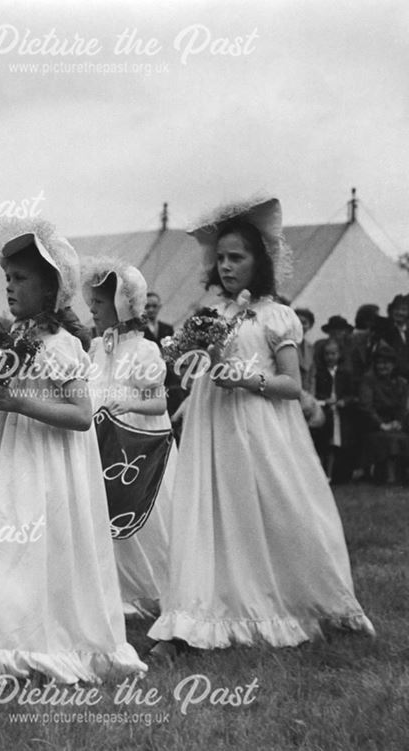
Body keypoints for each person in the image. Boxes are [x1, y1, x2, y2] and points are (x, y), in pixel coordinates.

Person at [147, 198, 374, 660]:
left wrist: (249, 379)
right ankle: (198, 612)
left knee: (272, 510)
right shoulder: (214, 314)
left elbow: (292, 385)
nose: (226, 266)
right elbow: (202, 368)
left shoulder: (276, 317)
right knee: (214, 513)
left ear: (260, 262)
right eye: (222, 258)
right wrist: (200, 364)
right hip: (215, 426)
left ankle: (291, 599)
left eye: (238, 258)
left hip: (257, 426)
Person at [0, 219, 145, 685]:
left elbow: (81, 414)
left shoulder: (61, 346)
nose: (10, 286)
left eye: (21, 278)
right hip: (13, 462)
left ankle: (49, 640)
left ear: (51, 289)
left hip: (48, 467)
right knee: (7, 547)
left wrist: (20, 402)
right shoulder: (15, 341)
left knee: (40, 548)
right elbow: (13, 401)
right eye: (7, 278)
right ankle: (1, 639)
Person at [83, 257, 176, 618]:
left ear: (122, 304)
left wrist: (127, 402)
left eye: (100, 303)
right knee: (109, 519)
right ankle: (120, 591)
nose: (92, 309)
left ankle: (166, 590)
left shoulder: (143, 350)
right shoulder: (95, 348)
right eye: (91, 302)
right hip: (105, 444)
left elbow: (159, 402)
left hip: (140, 446)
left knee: (147, 521)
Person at [358, 342, 409, 484]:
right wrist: (382, 424)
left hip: (394, 423)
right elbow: (366, 407)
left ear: (393, 365)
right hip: (373, 424)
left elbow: (402, 408)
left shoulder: (401, 383)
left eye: (387, 363)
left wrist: (398, 422)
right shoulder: (368, 380)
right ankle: (390, 477)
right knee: (390, 438)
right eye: (379, 363)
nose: (383, 366)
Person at [312, 339, 358, 484]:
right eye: (327, 354)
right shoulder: (319, 373)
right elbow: (316, 393)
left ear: (339, 354)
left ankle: (335, 474)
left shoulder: (345, 373)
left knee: (338, 445)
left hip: (341, 414)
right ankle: (323, 474)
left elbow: (353, 394)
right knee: (325, 444)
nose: (330, 357)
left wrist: (344, 401)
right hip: (325, 412)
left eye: (333, 353)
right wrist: (325, 400)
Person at [294, 308, 317, 392]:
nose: (301, 325)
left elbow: (312, 375)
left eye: (304, 323)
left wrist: (311, 396)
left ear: (310, 326)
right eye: (298, 322)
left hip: (307, 393)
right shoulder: (288, 344)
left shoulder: (311, 348)